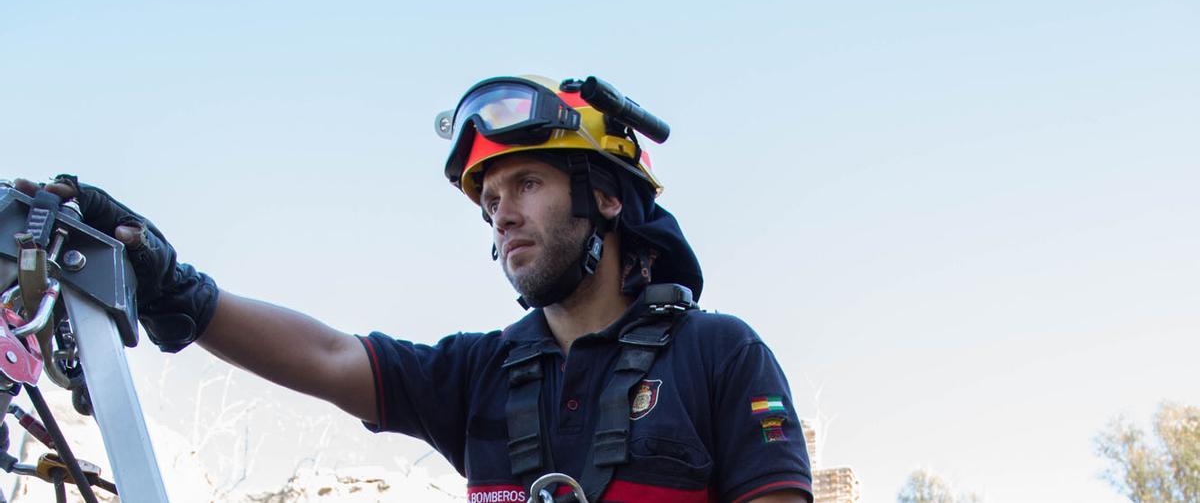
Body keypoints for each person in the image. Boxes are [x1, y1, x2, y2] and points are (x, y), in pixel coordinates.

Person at [15, 75, 812, 502]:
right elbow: (329, 355)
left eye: (527, 182)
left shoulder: (719, 354)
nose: (502, 215)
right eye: (490, 200)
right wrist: (180, 292)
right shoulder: (482, 374)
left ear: (606, 196)